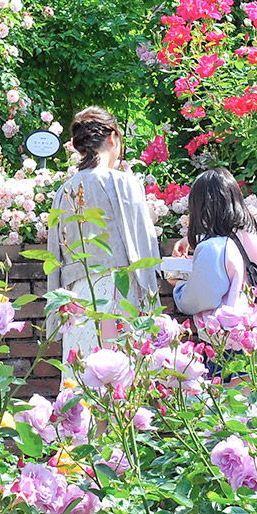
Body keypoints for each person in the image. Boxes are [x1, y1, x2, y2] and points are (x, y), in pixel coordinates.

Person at [46, 107, 160, 370]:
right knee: (119, 375)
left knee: (83, 374)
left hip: (77, 297)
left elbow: (55, 257)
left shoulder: (64, 190)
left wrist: (54, 316)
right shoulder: (123, 183)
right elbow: (144, 250)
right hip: (120, 290)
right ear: (112, 137)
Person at [171, 167, 257, 317]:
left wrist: (178, 285)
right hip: (251, 320)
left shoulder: (211, 249)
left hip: (224, 326)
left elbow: (198, 300)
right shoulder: (249, 235)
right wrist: (189, 240)